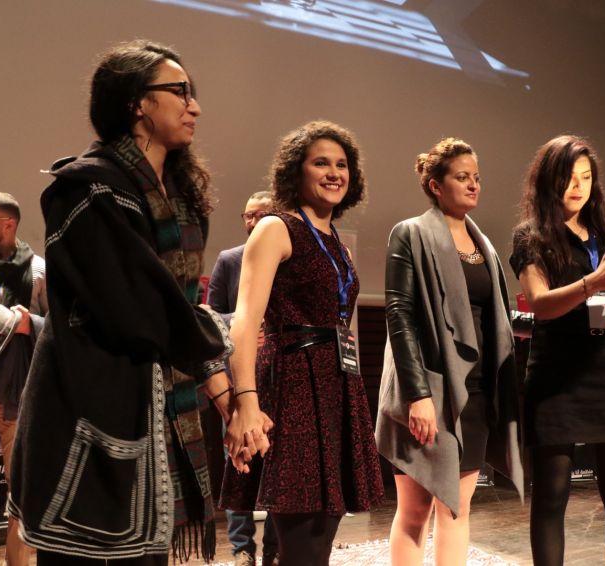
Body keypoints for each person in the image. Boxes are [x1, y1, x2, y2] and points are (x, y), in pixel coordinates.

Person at [8, 40, 233, 565]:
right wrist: (219, 338)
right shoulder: (88, 189)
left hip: (155, 410)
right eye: (180, 92)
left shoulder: (179, 198)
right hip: (92, 411)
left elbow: (174, 305)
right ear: (137, 103)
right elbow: (140, 308)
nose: (194, 106)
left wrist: (225, 389)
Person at [221, 120, 384, 566]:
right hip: (293, 387)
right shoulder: (276, 227)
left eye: (342, 165)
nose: (334, 173)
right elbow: (244, 322)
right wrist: (246, 401)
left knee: (321, 539)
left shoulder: (338, 244)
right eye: (321, 163)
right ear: (296, 170)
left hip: (337, 386)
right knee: (301, 543)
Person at [376, 138, 523, 566]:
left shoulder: (484, 246)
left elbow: (496, 318)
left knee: (457, 509)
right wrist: (417, 395)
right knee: (416, 511)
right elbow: (399, 314)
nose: (474, 185)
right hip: (427, 390)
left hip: (474, 393)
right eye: (462, 177)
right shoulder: (410, 233)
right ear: (436, 186)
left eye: (476, 177)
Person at [509, 135, 605, 566]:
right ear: (549, 180)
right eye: (569, 177)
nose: (578, 186)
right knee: (552, 493)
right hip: (558, 371)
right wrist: (594, 282)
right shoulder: (531, 236)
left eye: (586, 177)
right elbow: (540, 304)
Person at [207, 191, 278, 566]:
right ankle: (241, 548)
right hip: (240, 374)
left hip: (278, 375)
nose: (252, 222)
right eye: (248, 216)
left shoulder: (284, 256)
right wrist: (242, 322)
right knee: (240, 461)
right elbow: (209, 316)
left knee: (278, 464)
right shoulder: (230, 259)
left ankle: (276, 548)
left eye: (261, 215)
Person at [0, 192, 43, 566]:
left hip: (23, 395)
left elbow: (62, 331)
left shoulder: (40, 271)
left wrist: (28, 323)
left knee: (22, 496)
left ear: (8, 224)